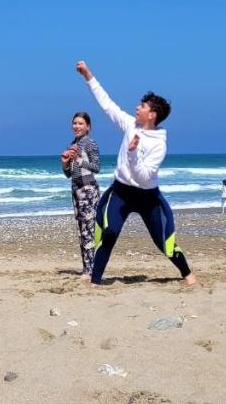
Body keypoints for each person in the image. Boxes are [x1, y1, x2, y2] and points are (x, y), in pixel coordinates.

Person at [74, 60, 196, 286]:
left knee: (164, 243)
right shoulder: (131, 125)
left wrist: (133, 154)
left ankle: (188, 275)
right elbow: (108, 105)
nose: (137, 107)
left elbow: (144, 176)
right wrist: (88, 75)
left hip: (148, 197)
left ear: (152, 115)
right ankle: (95, 281)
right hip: (120, 192)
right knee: (108, 233)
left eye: (142, 105)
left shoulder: (159, 144)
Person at [60, 112, 101, 280]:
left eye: (80, 123)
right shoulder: (73, 144)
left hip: (88, 190)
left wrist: (78, 160)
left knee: (89, 230)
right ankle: (87, 269)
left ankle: (91, 271)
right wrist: (65, 163)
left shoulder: (90, 143)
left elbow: (97, 167)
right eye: (75, 123)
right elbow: (69, 174)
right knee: (81, 231)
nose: (76, 126)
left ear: (88, 127)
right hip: (76, 190)